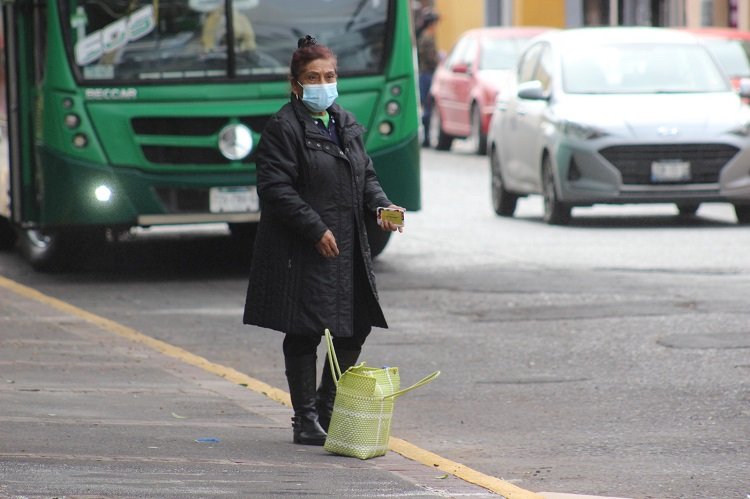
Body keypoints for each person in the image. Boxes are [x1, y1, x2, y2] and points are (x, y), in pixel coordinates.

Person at [243, 35, 405, 446]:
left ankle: (328, 404)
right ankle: (305, 419)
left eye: (329, 76)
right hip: (305, 246)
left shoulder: (345, 121)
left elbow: (364, 175)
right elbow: (276, 188)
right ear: (296, 84)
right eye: (313, 77)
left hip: (347, 243)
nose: (323, 83)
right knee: (305, 331)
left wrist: (383, 207)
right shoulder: (284, 127)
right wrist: (314, 228)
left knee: (356, 327)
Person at [416, 7, 440, 147]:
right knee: (427, 106)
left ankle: (426, 137)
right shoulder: (427, 38)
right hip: (427, 75)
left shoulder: (423, 36)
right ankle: (426, 138)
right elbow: (431, 59)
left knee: (426, 106)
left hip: (424, 74)